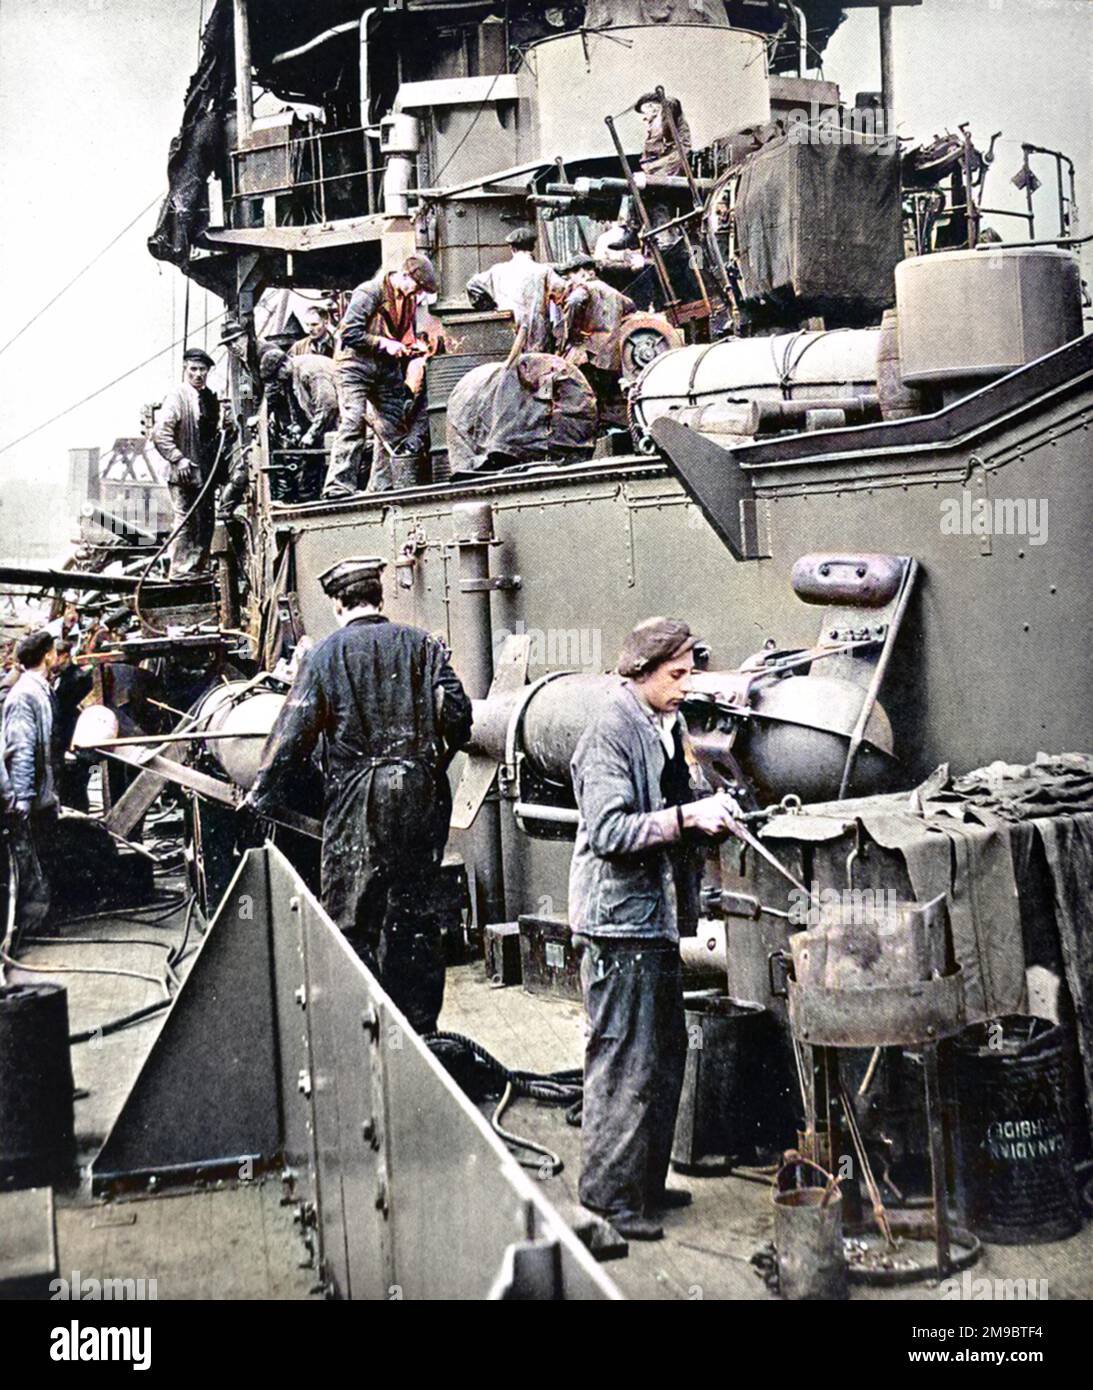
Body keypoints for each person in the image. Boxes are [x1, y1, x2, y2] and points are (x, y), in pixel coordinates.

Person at [245, 557, 473, 1032]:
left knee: (352, 917)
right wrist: (427, 764)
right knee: (415, 916)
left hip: (358, 801)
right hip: (419, 799)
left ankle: (362, 1030)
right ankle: (421, 1034)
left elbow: (293, 734)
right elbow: (459, 715)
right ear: (379, 598)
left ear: (337, 603)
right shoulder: (422, 645)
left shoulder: (325, 656)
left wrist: (263, 795)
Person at [568, 617, 738, 1241]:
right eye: (676, 675)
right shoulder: (609, 733)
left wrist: (709, 811)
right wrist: (688, 818)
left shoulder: (668, 724)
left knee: (664, 1056)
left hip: (655, 922)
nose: (686, 685)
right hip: (617, 925)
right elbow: (611, 833)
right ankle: (610, 1198)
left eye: (690, 672)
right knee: (623, 1061)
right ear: (641, 672)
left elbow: (680, 793)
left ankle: (644, 1179)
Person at [323, 256, 439, 499]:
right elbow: (349, 334)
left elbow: (401, 334)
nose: (417, 294)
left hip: (385, 369)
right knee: (353, 421)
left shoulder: (407, 301)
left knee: (393, 424)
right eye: (416, 287)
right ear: (404, 275)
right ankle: (337, 486)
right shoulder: (369, 292)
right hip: (354, 366)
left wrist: (409, 345)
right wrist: (382, 343)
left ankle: (382, 485)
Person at [2, 629, 61, 934]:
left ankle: (43, 919)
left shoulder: (39, 689)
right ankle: (34, 924)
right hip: (33, 796)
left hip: (43, 793)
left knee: (44, 856)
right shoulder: (25, 694)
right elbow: (22, 748)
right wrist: (23, 797)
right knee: (31, 860)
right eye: (54, 651)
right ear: (47, 655)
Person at [152, 347, 225, 578]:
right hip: (183, 472)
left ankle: (197, 569)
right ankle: (181, 570)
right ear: (185, 369)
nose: (198, 374)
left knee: (205, 522)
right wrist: (177, 458)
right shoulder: (178, 396)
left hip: (204, 473)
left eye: (202, 369)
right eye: (193, 369)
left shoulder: (208, 397)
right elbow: (160, 432)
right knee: (186, 521)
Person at [466, 226, 567, 353]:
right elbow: (565, 292)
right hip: (538, 337)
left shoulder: (498, 271)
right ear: (532, 247)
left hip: (506, 336)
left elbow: (472, 285)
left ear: (512, 248)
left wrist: (489, 307)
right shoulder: (544, 271)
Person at [50, 639, 94, 813]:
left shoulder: (78, 680)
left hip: (74, 747)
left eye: (54, 657)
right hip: (66, 747)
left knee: (75, 792)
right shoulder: (61, 679)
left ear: (64, 657)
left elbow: (73, 716)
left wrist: (71, 748)